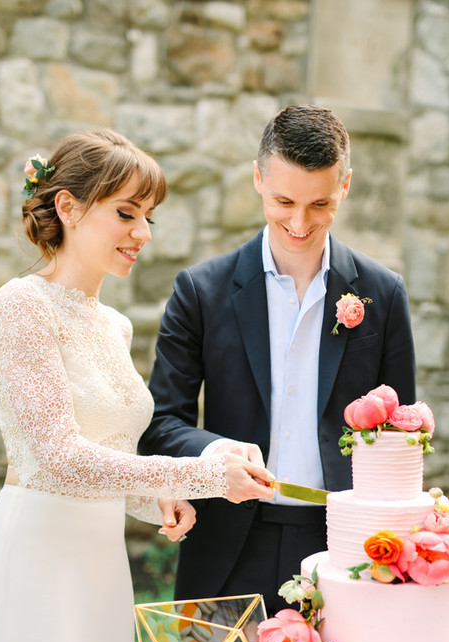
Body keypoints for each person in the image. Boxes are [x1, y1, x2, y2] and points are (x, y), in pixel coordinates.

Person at [0, 129, 273, 642]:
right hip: (37, 560)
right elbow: (57, 459)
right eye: (126, 213)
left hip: (98, 568)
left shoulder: (114, 322)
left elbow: (110, 453)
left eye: (148, 215)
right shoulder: (20, 306)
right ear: (67, 206)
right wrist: (197, 474)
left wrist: (151, 499)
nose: (143, 232)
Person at [140, 104, 416, 615]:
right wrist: (218, 451)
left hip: (344, 547)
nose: (299, 221)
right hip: (225, 538)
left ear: (346, 187)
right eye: (284, 200)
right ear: (258, 179)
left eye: (320, 204)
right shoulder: (200, 290)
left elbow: (399, 431)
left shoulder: (385, 293)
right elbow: (161, 422)